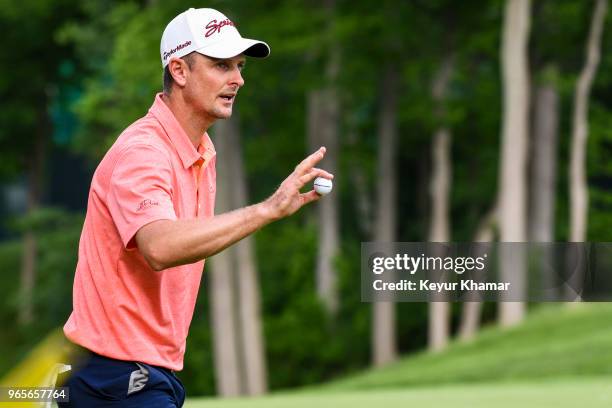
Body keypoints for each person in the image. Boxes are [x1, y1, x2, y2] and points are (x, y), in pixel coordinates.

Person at [58, 7, 332, 407]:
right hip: (116, 377)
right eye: (221, 65)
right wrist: (267, 209)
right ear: (180, 71)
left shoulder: (201, 150)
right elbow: (160, 247)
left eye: (239, 66)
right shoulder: (143, 151)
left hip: (141, 374)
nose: (237, 78)